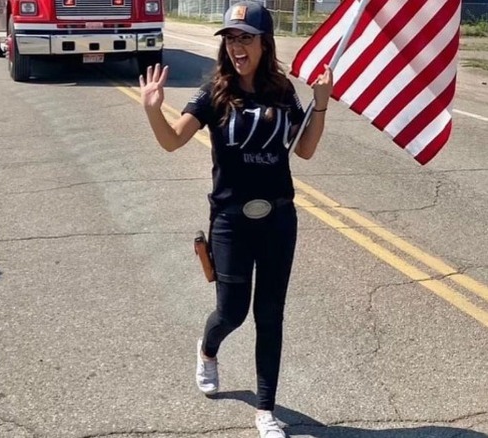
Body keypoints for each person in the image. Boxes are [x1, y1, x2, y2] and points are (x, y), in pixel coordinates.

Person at [139, 2, 332, 437]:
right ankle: (208, 350)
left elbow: (304, 151)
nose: (236, 46)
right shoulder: (214, 92)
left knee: (271, 314)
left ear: (265, 42)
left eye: (245, 37)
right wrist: (153, 109)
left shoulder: (283, 92)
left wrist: (320, 106)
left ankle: (266, 411)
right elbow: (172, 141)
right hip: (230, 220)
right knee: (231, 312)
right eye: (230, 37)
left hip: (279, 218)